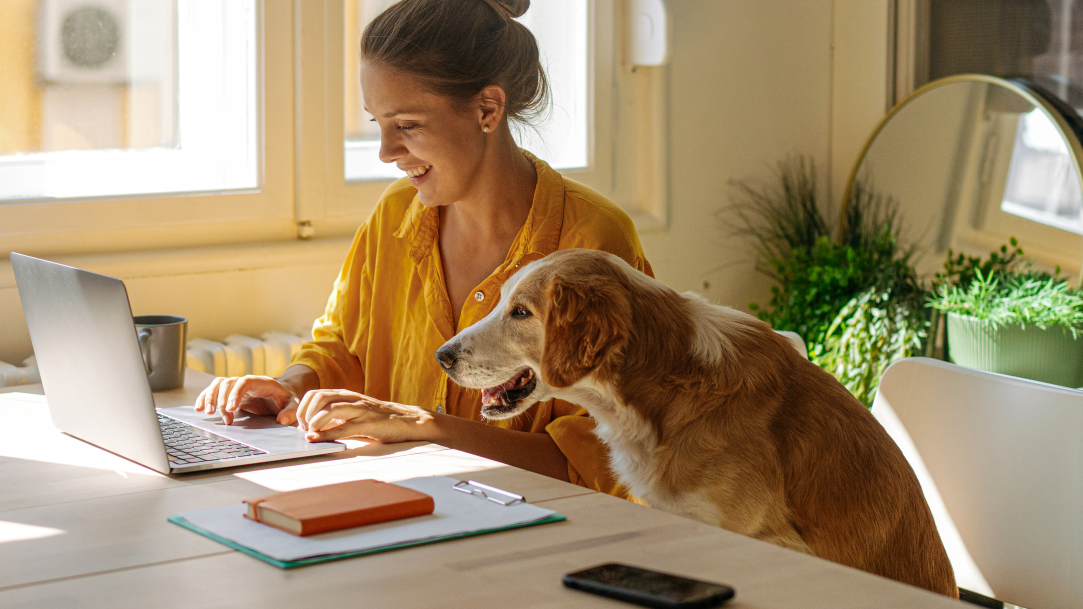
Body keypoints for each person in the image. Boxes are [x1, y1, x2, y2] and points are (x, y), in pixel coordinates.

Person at [195, 0, 652, 494]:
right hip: (399, 507)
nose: (387, 153)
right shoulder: (395, 214)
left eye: (407, 126)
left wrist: (426, 430)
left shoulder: (593, 241)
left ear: (487, 109)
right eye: (378, 124)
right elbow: (342, 348)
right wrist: (289, 386)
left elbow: (599, 463)